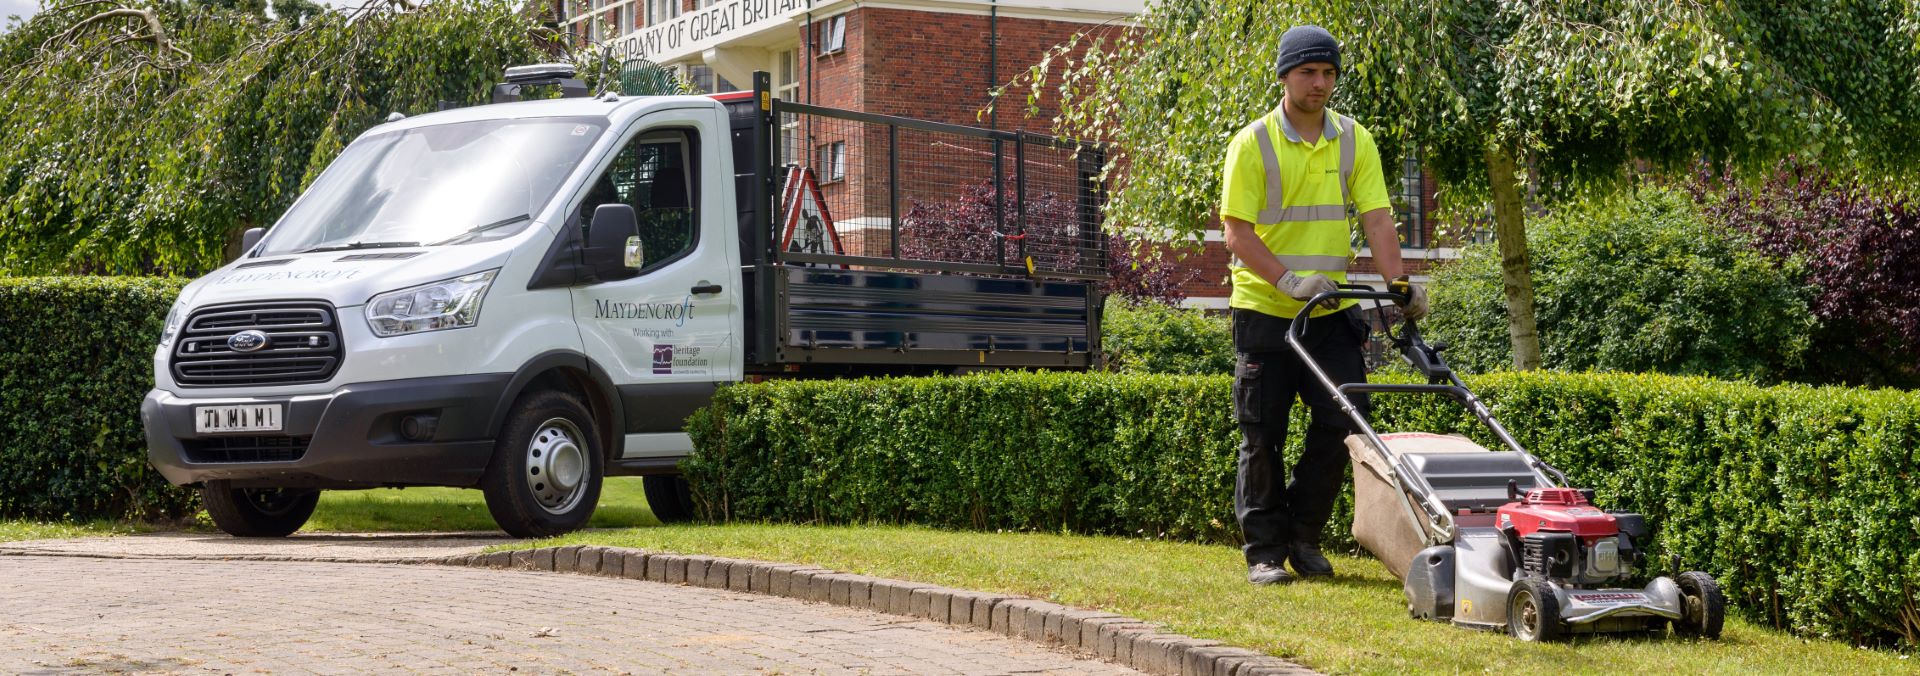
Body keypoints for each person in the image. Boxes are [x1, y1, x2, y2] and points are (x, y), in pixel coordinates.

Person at [1217, 24, 1428, 585]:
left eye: (1328, 73)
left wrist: (1400, 283)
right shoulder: (1252, 143)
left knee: (1342, 424)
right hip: (1264, 309)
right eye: (1308, 72)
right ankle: (1264, 553)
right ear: (1285, 76)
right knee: (1262, 434)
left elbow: (1377, 218)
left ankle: (1304, 538)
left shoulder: (1354, 139)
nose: (1319, 83)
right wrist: (1286, 281)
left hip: (1331, 313)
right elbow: (1236, 231)